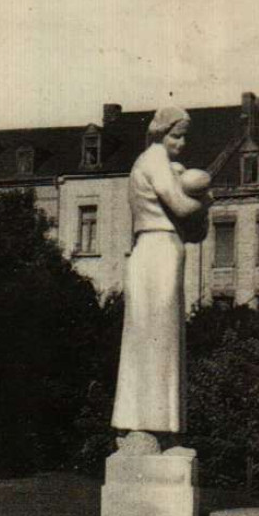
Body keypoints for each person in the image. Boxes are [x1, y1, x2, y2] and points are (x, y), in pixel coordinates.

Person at [111, 107, 212, 455]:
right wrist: (204, 198)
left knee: (161, 338)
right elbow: (182, 208)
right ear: (159, 133)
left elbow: (192, 228)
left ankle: (164, 432)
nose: (181, 143)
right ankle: (148, 431)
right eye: (176, 135)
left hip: (162, 247)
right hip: (155, 249)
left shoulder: (162, 164)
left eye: (184, 136)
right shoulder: (153, 159)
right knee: (154, 338)